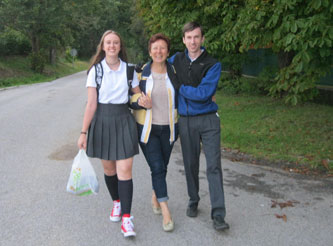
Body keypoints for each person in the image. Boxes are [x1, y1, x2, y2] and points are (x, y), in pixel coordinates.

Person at [77, 30, 141, 237]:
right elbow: (91, 104)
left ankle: (126, 219)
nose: (112, 46)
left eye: (116, 43)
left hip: (123, 120)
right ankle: (116, 202)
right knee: (109, 169)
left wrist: (144, 100)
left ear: (120, 47)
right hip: (102, 121)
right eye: (108, 43)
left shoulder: (130, 70)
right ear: (103, 47)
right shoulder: (95, 71)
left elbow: (137, 95)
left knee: (125, 169)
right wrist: (83, 132)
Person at [168, 22, 230, 231]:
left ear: (202, 39)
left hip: (209, 119)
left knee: (213, 166)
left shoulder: (212, 64)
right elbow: (157, 62)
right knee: (190, 164)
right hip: (185, 120)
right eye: (189, 37)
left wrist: (180, 88)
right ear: (183, 40)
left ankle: (218, 215)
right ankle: (193, 200)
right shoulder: (175, 60)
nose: (193, 41)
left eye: (196, 37)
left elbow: (204, 94)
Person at [130, 33, 178, 232]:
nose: (159, 51)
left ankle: (155, 194)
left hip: (170, 128)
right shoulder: (141, 73)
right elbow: (130, 99)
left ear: (167, 51)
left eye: (163, 48)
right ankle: (166, 210)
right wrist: (141, 102)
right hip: (147, 129)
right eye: (155, 48)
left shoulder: (175, 72)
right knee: (157, 167)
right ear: (150, 52)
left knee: (163, 166)